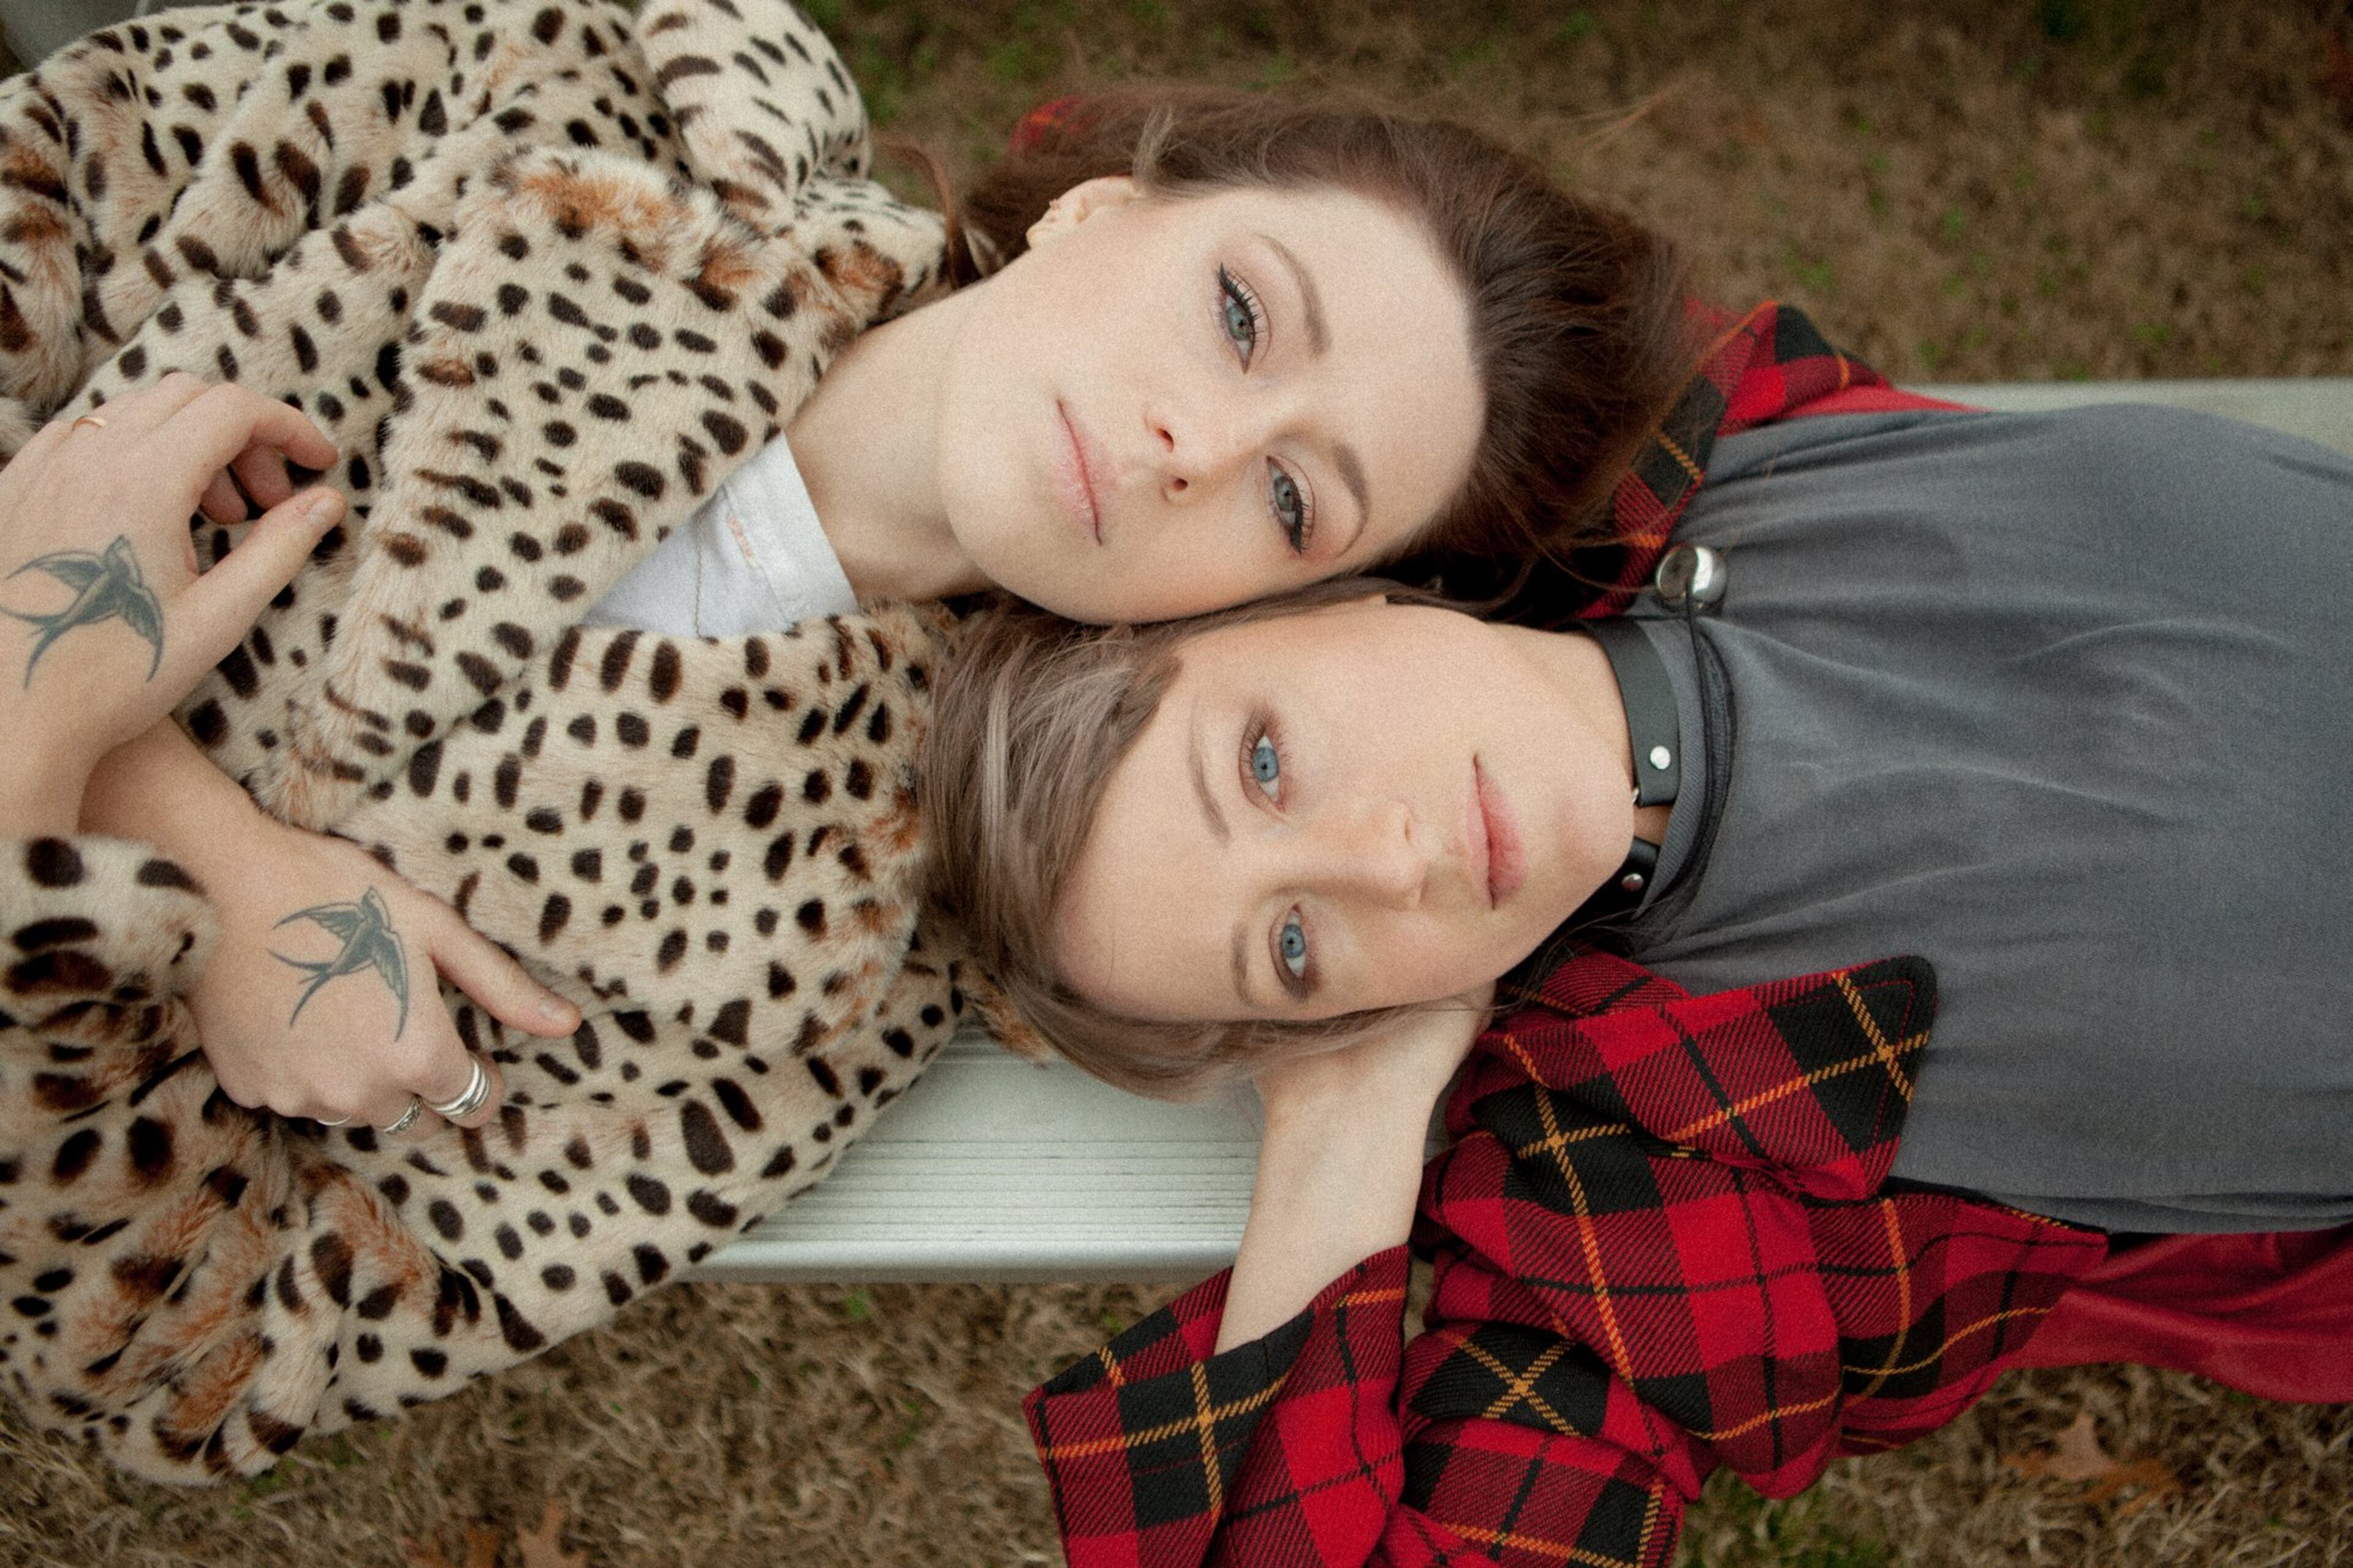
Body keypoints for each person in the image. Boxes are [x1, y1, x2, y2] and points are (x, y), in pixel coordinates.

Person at [0, 0, 1697, 1480]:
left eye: (1291, 495)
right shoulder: (618, 81)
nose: (1198, 440)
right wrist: (184, 838)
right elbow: (53, 183)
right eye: (1242, 316)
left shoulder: (837, 948)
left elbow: (187, 1371)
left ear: (1277, 604)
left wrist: (49, 759)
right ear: (1107, 207)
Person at [922, 326, 2353, 1564]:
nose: (1387, 860)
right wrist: (1339, 1144)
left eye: (1267, 762)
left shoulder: (1643, 435)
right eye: (1294, 944)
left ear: (1321, 589)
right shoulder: (1634, 1184)